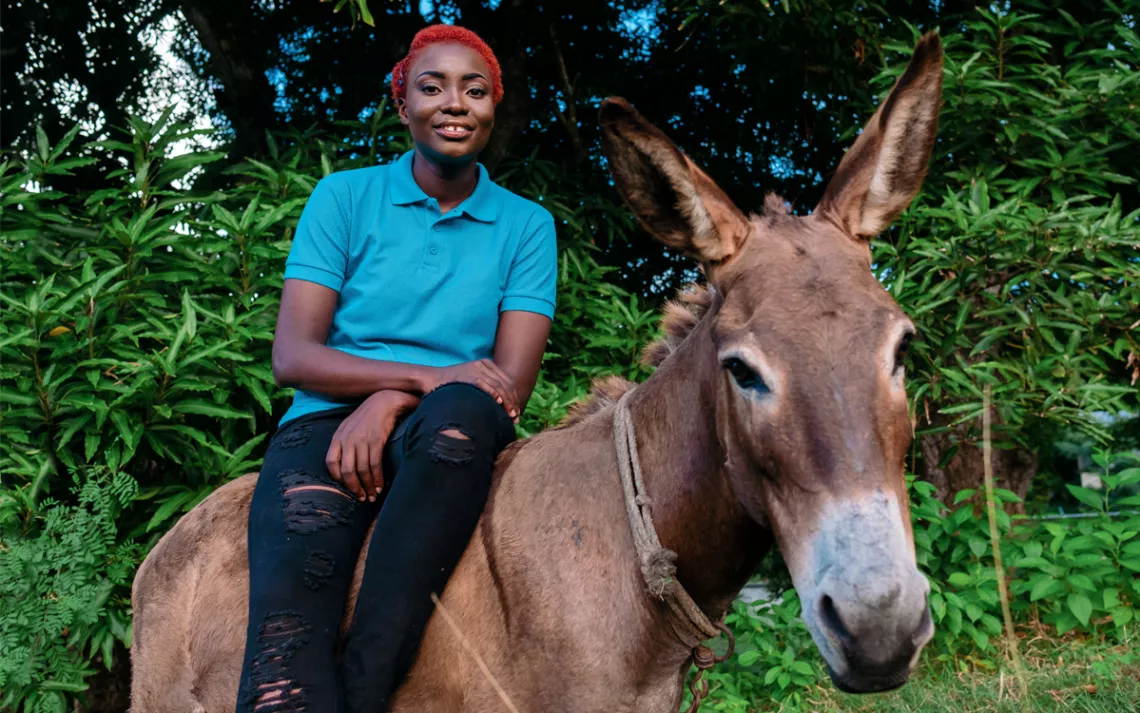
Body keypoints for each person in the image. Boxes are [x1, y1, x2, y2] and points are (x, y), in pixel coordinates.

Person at [235, 24, 557, 713]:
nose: (455, 103)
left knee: (463, 414)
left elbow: (507, 388)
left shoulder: (527, 226)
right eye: (432, 87)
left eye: (475, 90)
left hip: (451, 431)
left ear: (493, 108)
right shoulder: (344, 198)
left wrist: (392, 400)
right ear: (402, 103)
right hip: (325, 427)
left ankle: (365, 688)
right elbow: (293, 356)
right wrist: (420, 378)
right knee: (281, 674)